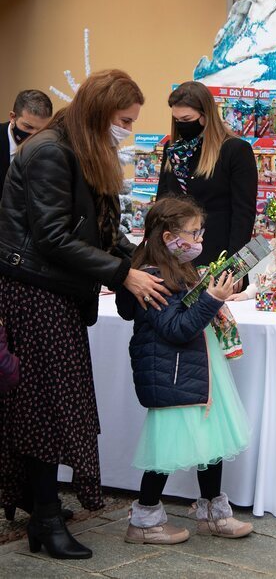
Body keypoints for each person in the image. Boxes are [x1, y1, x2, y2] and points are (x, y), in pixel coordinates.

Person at [0, 70, 170, 560]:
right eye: (123, 120)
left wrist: (143, 260)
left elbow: (98, 228)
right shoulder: (51, 151)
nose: (127, 130)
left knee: (51, 407)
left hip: (53, 292)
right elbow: (53, 237)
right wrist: (124, 275)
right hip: (33, 294)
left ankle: (44, 513)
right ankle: (47, 519)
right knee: (45, 409)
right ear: (99, 113)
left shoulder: (80, 148)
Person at [118, 197, 252, 544]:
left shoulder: (177, 268)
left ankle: (213, 513)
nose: (199, 241)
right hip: (172, 374)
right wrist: (212, 299)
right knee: (165, 449)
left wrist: (212, 291)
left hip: (195, 371)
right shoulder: (150, 279)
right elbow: (176, 328)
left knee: (213, 441)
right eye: (193, 233)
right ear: (167, 238)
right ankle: (144, 520)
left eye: (200, 232)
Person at [157, 81, 258, 269]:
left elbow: (243, 214)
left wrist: (234, 266)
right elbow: (161, 204)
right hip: (176, 257)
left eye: (187, 120)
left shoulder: (235, 150)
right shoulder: (172, 150)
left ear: (205, 116)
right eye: (177, 120)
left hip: (219, 255)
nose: (181, 125)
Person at [1, 89, 53, 198]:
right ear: (12, 117)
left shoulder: (50, 148)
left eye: (41, 130)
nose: (34, 135)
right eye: (28, 127)